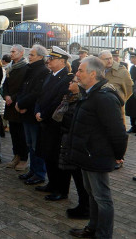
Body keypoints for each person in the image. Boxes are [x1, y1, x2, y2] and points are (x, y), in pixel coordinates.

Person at [68, 56, 128, 239]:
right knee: (92, 194)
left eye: (80, 70)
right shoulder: (90, 92)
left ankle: (103, 235)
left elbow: (118, 131)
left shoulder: (104, 97)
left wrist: (118, 155)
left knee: (102, 198)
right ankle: (92, 228)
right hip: (88, 154)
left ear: (92, 74)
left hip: (97, 155)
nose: (76, 73)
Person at [34, 46, 74, 199]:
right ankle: (52, 184)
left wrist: (43, 114)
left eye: (52, 59)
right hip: (44, 121)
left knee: (57, 158)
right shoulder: (50, 75)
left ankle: (61, 190)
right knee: (48, 155)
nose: (48, 61)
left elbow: (58, 101)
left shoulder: (67, 78)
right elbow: (40, 96)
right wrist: (37, 110)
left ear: (62, 61)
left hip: (55, 124)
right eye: (49, 58)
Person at [53, 76, 90, 220]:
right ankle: (82, 205)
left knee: (80, 178)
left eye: (73, 81)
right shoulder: (69, 98)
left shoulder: (81, 100)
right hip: (68, 139)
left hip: (76, 142)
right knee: (73, 173)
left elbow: (70, 121)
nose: (70, 83)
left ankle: (85, 208)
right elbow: (56, 116)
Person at [15, 45, 49, 184]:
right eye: (29, 54)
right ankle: (33, 170)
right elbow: (23, 89)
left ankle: (39, 173)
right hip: (25, 112)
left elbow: (36, 93)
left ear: (41, 57)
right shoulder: (30, 69)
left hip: (32, 113)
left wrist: (22, 105)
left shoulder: (43, 71)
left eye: (32, 55)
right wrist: (19, 103)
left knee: (36, 145)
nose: (29, 57)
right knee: (30, 144)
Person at [2, 45, 29, 171]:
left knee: (21, 134)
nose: (11, 54)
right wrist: (6, 95)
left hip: (19, 105)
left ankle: (23, 158)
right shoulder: (10, 67)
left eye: (14, 51)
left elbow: (25, 88)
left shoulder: (26, 68)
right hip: (10, 106)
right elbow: (5, 85)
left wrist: (12, 97)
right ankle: (16, 155)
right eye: (11, 51)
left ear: (21, 53)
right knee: (14, 133)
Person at [125, 51, 136, 134]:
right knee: (132, 109)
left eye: (132, 57)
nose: (131, 59)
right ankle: (133, 127)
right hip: (133, 92)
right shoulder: (132, 67)